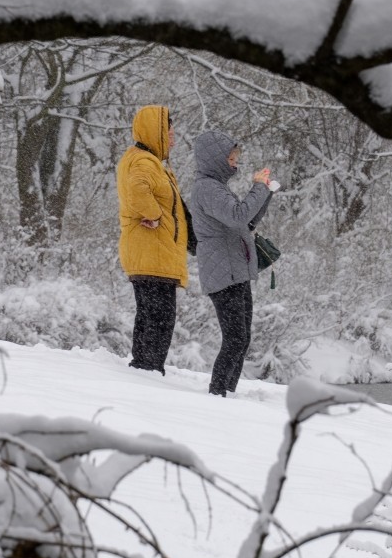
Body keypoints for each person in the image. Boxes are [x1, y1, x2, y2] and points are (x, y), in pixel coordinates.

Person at [188, 129, 278, 396]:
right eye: (231, 158)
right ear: (215, 159)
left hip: (234, 272)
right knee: (235, 339)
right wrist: (258, 187)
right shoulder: (207, 189)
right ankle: (218, 393)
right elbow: (239, 216)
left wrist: (266, 193)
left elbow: (245, 222)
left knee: (242, 339)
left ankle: (227, 392)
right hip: (223, 274)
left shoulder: (216, 188)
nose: (235, 162)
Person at [116, 105, 189, 373]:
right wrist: (153, 214)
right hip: (153, 252)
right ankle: (149, 370)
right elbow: (137, 190)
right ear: (156, 131)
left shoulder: (139, 159)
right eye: (169, 131)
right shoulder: (145, 162)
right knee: (160, 317)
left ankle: (144, 366)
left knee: (149, 314)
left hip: (150, 254)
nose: (173, 137)